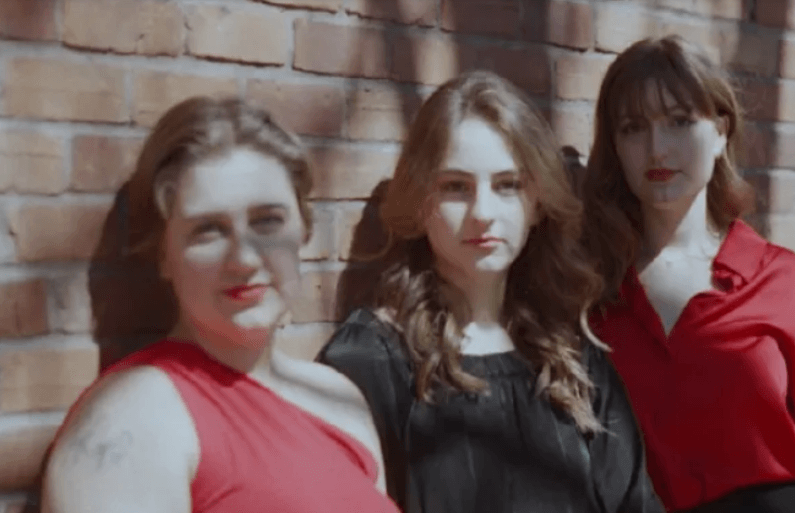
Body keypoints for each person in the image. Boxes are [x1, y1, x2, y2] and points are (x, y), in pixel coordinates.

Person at [316, 70, 664, 513]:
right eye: (455, 187)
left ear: (537, 204)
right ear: (420, 203)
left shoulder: (572, 354)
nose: (482, 212)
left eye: (507, 185)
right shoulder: (369, 363)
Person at [580, 35, 795, 513]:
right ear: (614, 145)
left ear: (720, 132)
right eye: (633, 128)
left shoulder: (788, 284)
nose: (657, 149)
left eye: (680, 121)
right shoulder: (588, 291)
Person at [40, 96, 400, 513]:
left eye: (267, 220)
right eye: (208, 230)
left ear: (303, 231)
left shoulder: (337, 396)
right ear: (163, 254)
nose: (244, 258)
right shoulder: (134, 419)